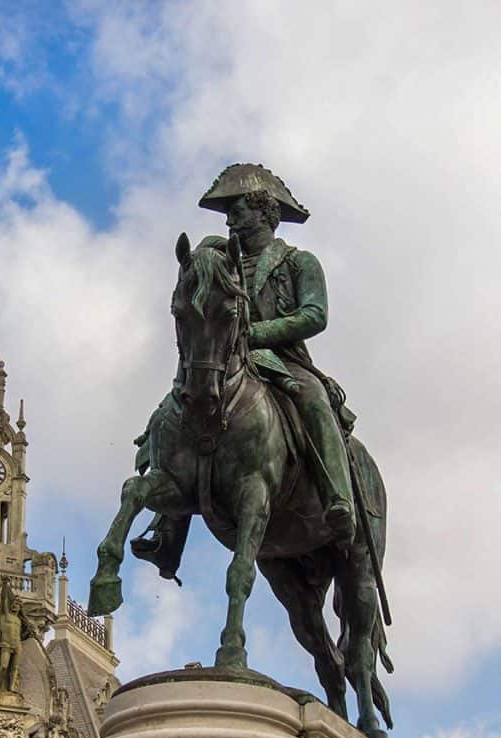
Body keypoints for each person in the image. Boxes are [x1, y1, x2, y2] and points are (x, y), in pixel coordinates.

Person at [133, 163, 356, 578]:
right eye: (228, 213)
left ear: (264, 213)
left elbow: (315, 314)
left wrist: (255, 332)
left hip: (280, 359)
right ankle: (166, 530)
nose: (231, 219)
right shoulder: (220, 260)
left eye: (238, 211)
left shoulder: (298, 262)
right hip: (224, 359)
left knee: (313, 400)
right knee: (175, 411)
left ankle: (336, 498)